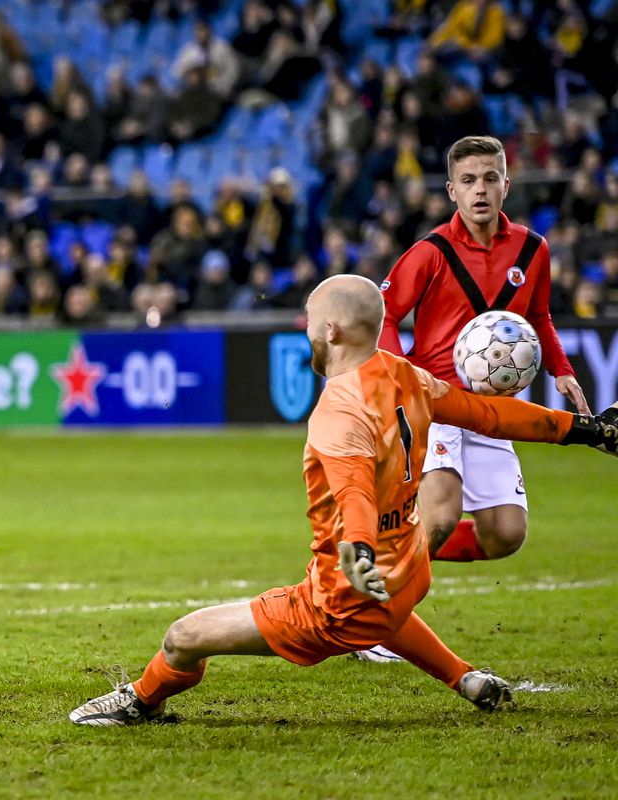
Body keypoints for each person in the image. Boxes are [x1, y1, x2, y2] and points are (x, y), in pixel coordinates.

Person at [69, 275, 616, 726]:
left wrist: (355, 550)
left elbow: (351, 487)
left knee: (183, 638)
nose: (305, 328)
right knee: (384, 609)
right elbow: (491, 414)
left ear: (329, 329)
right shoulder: (407, 376)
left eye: (309, 319)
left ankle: (141, 703)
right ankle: (463, 676)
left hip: (338, 599)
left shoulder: (337, 412)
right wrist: (586, 431)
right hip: (407, 570)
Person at [379, 136, 588, 574]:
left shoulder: (533, 250)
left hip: (492, 409)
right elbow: (387, 314)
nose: (480, 189)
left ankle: (388, 551)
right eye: (469, 180)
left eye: (490, 179)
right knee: (439, 517)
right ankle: (376, 623)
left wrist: (561, 370)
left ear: (506, 186)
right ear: (452, 190)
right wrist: (400, 377)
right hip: (434, 404)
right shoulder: (430, 252)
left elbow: (539, 315)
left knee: (505, 533)